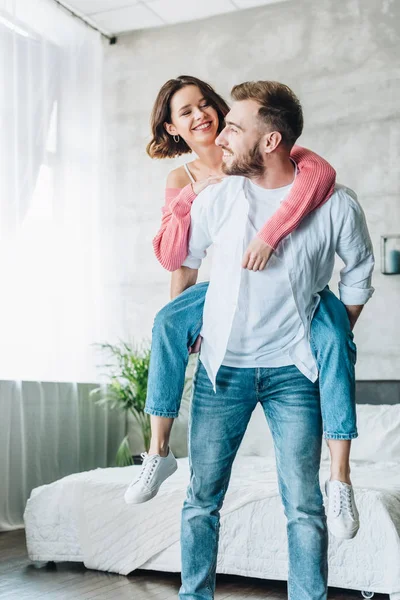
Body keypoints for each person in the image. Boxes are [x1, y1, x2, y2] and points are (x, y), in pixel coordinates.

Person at [124, 76, 368, 542]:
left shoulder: (283, 163)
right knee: (167, 322)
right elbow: (179, 259)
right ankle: (158, 450)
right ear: (174, 129)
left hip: (290, 310)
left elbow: (315, 174)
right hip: (221, 296)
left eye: (206, 107)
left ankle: (341, 477)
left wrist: (270, 235)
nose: (205, 121)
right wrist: (190, 320)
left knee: (337, 338)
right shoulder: (189, 180)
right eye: (185, 114)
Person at [178, 80, 374, 600]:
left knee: (304, 506)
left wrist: (333, 330)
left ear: (270, 141)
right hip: (223, 372)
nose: (222, 137)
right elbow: (187, 261)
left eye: (235, 128)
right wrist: (181, 325)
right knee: (200, 500)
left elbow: (359, 272)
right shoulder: (219, 199)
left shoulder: (334, 205)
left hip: (295, 372)